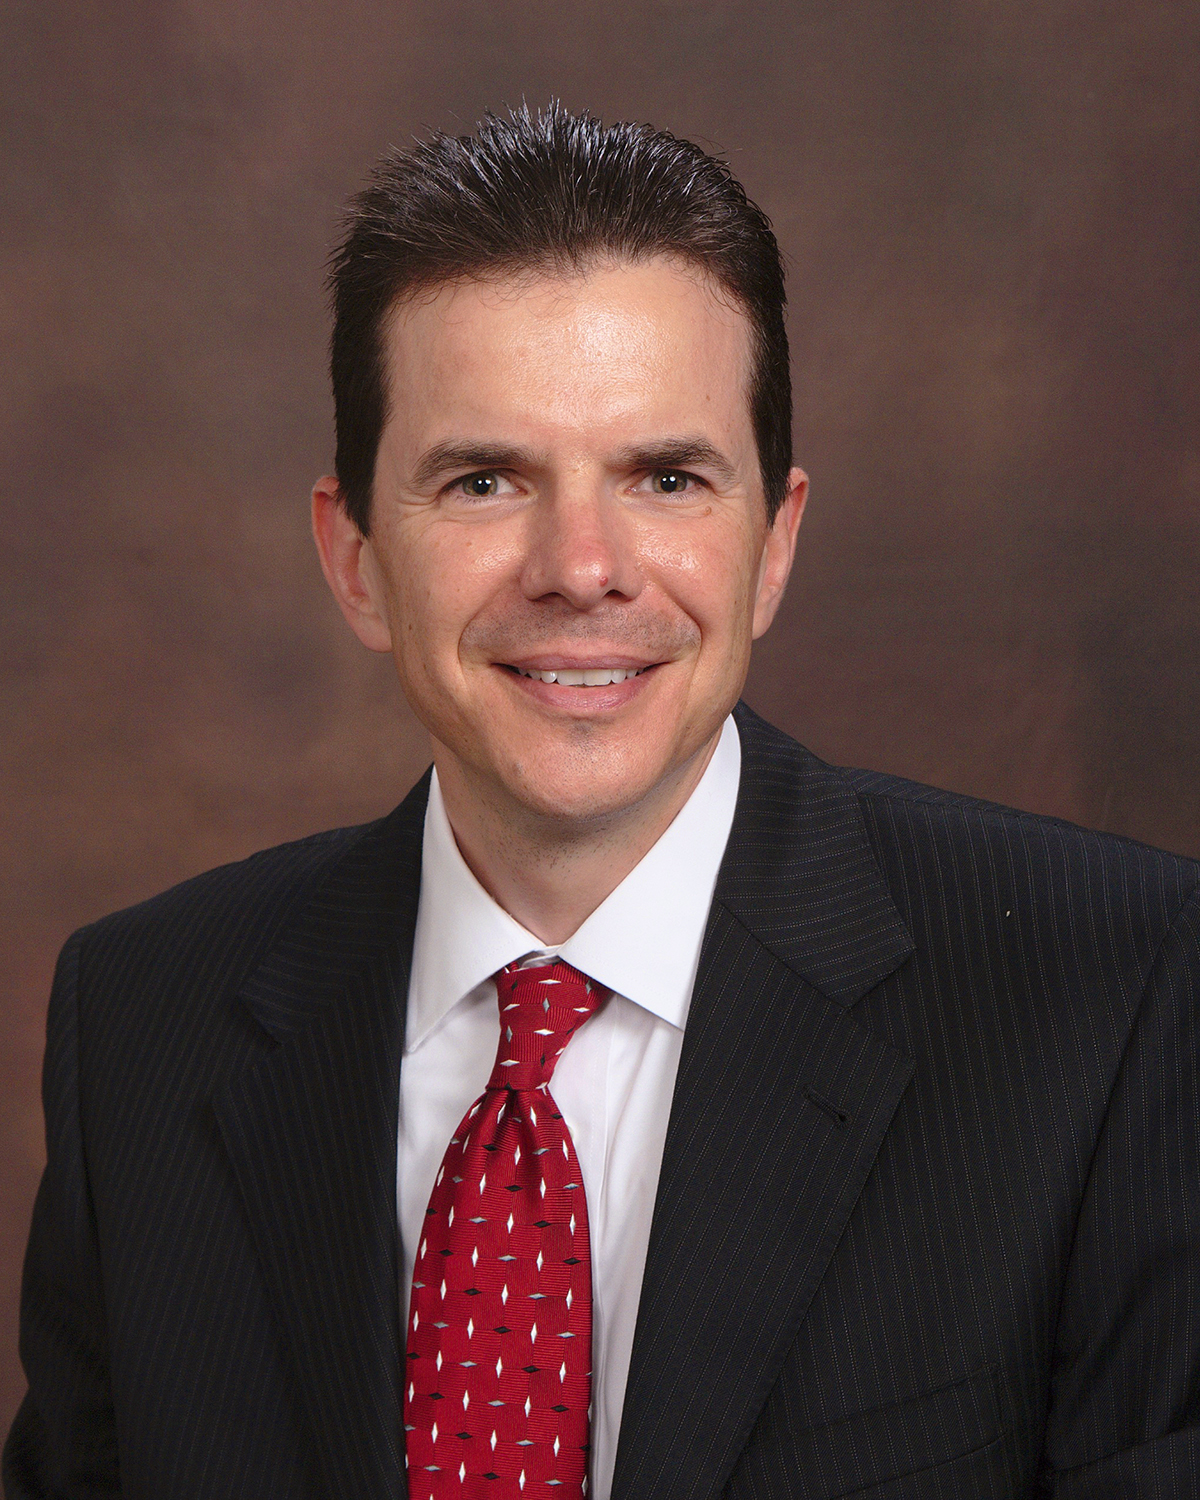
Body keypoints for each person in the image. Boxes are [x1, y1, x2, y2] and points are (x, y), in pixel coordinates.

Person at [5, 103, 1199, 1500]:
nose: (582, 568)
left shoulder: (1111, 995)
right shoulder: (143, 1020)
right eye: (484, 480)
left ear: (774, 543)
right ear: (355, 558)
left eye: (668, 478)